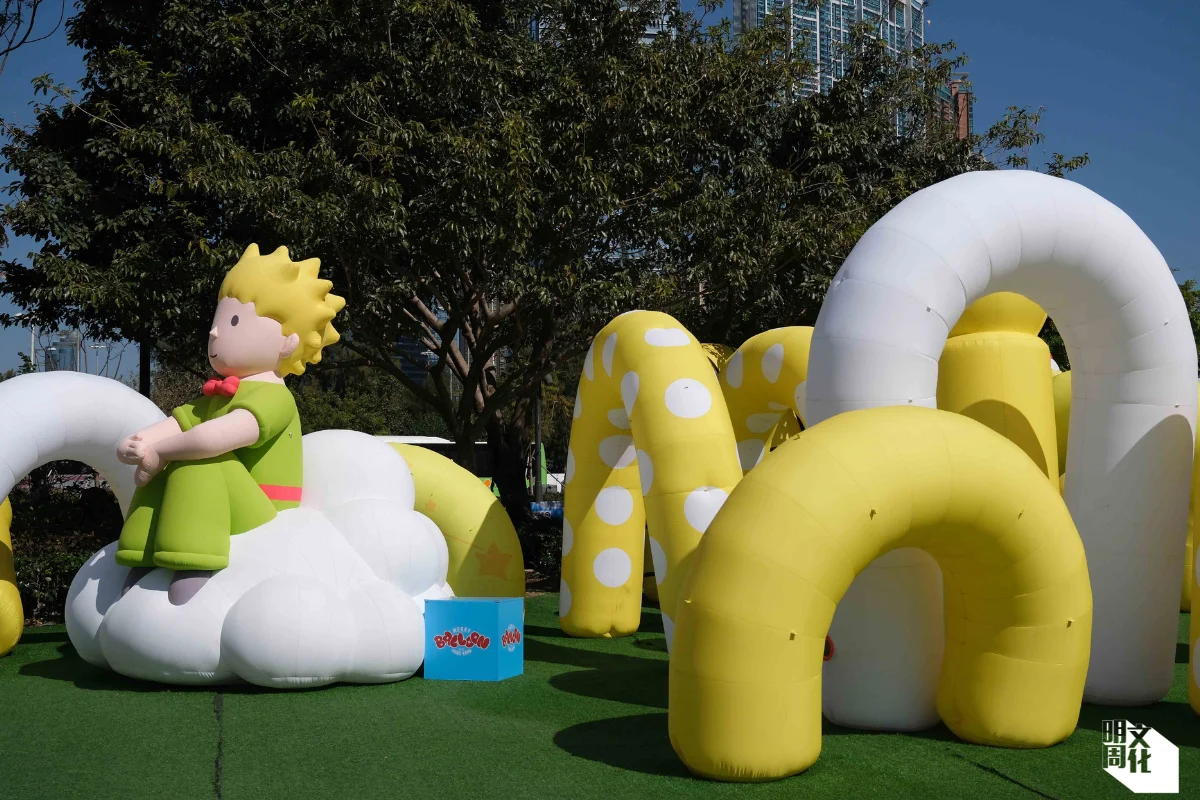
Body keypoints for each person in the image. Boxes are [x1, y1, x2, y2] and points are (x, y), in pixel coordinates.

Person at [114, 244, 344, 603]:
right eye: (218, 321)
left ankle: (192, 560)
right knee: (165, 464)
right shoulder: (218, 395)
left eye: (234, 322)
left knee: (201, 463)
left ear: (288, 342)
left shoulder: (274, 397)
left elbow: (213, 439)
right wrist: (139, 444)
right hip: (232, 500)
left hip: (265, 508)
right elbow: (178, 424)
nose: (215, 333)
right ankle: (140, 555)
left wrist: (160, 452)